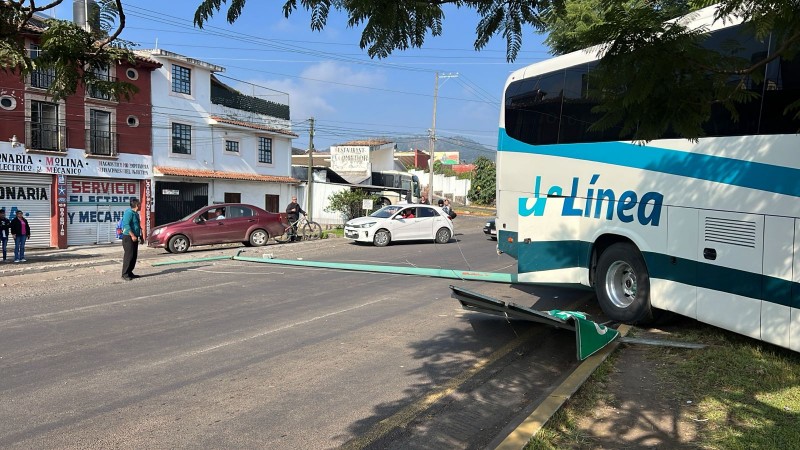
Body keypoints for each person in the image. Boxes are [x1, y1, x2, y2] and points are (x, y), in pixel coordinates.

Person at [120, 198, 143, 280]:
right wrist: (132, 235)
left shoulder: (136, 214)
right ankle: (125, 274)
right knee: (128, 256)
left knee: (134, 256)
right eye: (140, 204)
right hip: (128, 237)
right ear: (137, 205)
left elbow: (137, 226)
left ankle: (130, 272)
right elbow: (126, 225)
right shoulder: (128, 213)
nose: (141, 206)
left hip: (135, 237)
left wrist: (141, 236)